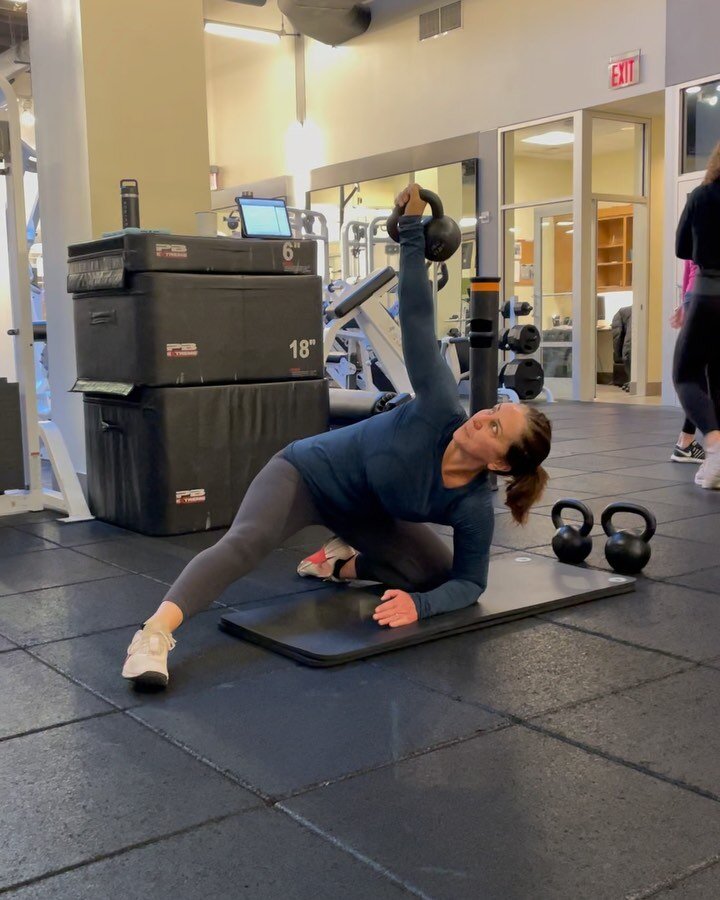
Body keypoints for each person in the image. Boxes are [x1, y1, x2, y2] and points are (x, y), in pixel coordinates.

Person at [122, 184, 552, 689]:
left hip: (364, 513)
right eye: (493, 410)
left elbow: (471, 583)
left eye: (496, 428)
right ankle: (154, 634)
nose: (481, 418)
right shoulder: (439, 407)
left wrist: (421, 605)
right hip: (308, 474)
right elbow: (416, 318)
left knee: (433, 574)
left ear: (499, 465)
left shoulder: (474, 505)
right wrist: (411, 231)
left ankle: (338, 564)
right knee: (246, 543)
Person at [673, 141, 720, 488]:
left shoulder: (701, 196)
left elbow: (682, 249)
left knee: (687, 375)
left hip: (709, 291)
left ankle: (715, 446)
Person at [669, 259, 705, 463]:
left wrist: (685, 303)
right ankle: (687, 441)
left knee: (697, 373)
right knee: (703, 375)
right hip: (710, 295)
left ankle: (686, 440)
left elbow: (687, 267)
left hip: (695, 295)